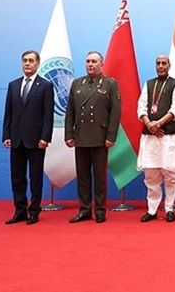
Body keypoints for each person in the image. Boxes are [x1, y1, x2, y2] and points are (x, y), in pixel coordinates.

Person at [65, 51, 121, 224]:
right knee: (82, 176)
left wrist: (111, 136)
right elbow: (70, 111)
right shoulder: (77, 83)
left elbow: (115, 113)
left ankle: (100, 210)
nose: (90, 64)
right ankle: (84, 210)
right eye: (88, 61)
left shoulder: (110, 84)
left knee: (99, 177)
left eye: (94, 61)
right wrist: (69, 134)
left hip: (100, 136)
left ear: (101, 64)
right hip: (81, 136)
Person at [2, 50, 54, 225]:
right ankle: (20, 211)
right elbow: (8, 113)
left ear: (37, 64)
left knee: (35, 178)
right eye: (24, 60)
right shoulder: (13, 85)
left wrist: (45, 137)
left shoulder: (45, 86)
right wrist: (6, 134)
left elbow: (48, 115)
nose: (27, 63)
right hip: (16, 139)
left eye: (31, 60)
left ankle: (34, 211)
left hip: (36, 140)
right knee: (17, 178)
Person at [137, 55, 175, 223]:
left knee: (171, 174)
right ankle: (152, 210)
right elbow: (141, 107)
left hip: (169, 136)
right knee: (151, 175)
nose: (161, 66)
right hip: (150, 137)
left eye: (164, 63)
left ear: (169, 65)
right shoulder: (149, 84)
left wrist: (158, 124)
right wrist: (149, 124)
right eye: (158, 63)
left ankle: (169, 208)